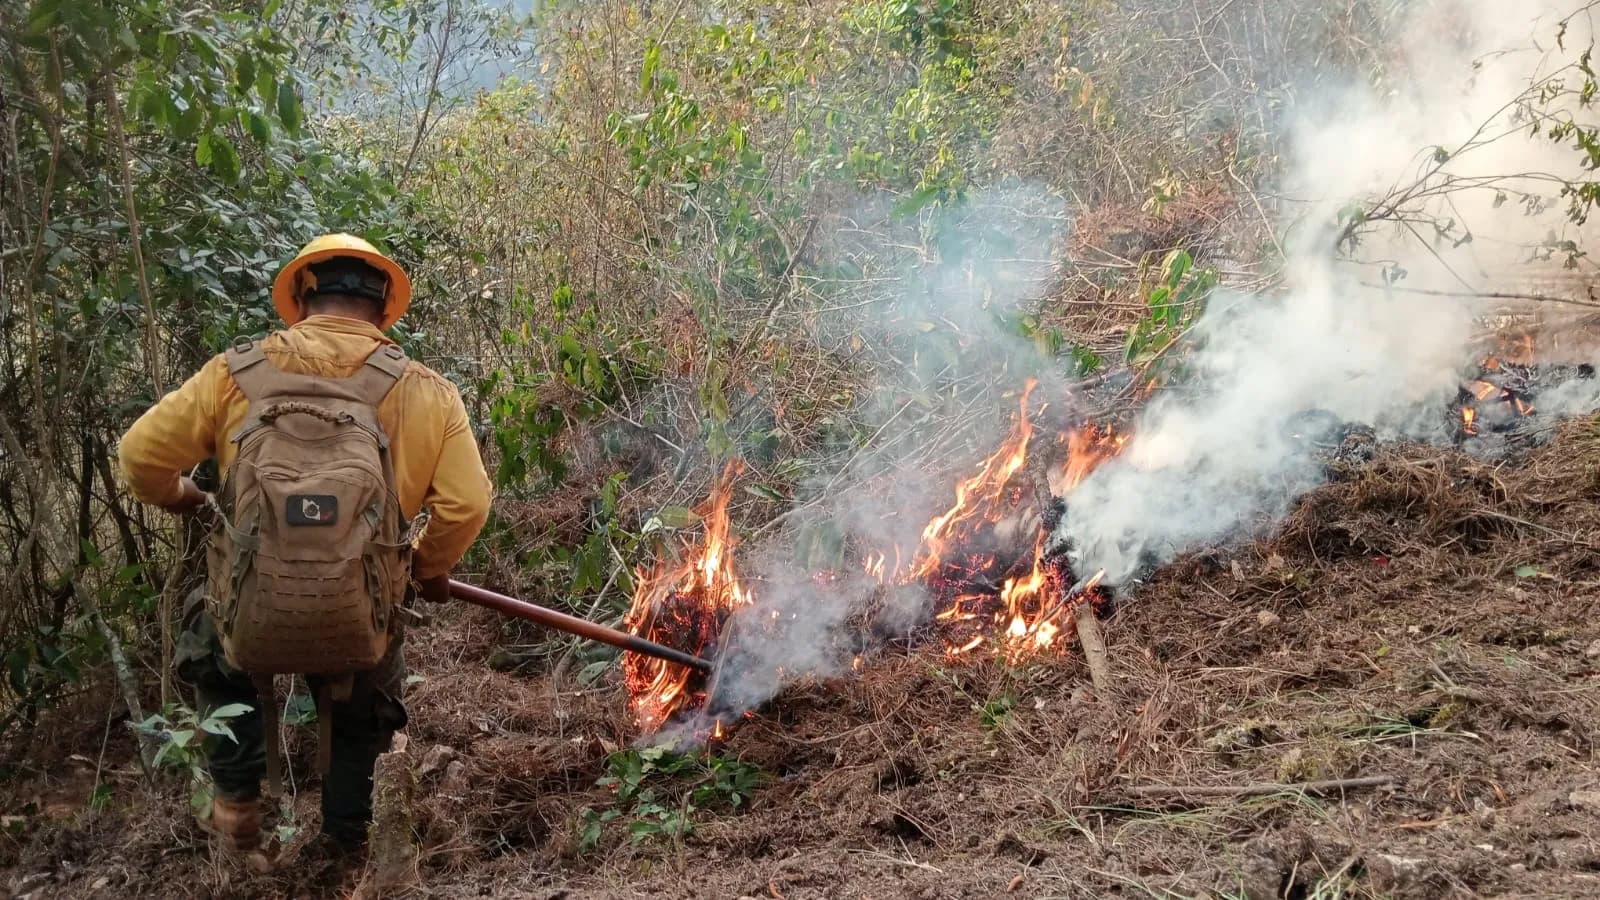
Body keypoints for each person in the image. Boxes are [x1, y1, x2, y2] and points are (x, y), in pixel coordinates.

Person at [117, 234, 492, 855]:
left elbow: (137, 459)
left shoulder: (235, 374)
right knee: (368, 686)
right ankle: (345, 841)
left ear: (301, 298)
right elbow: (468, 504)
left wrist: (188, 497)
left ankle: (237, 801)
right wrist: (424, 572)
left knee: (210, 634)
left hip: (252, 603)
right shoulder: (426, 391)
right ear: (383, 308)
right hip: (360, 615)